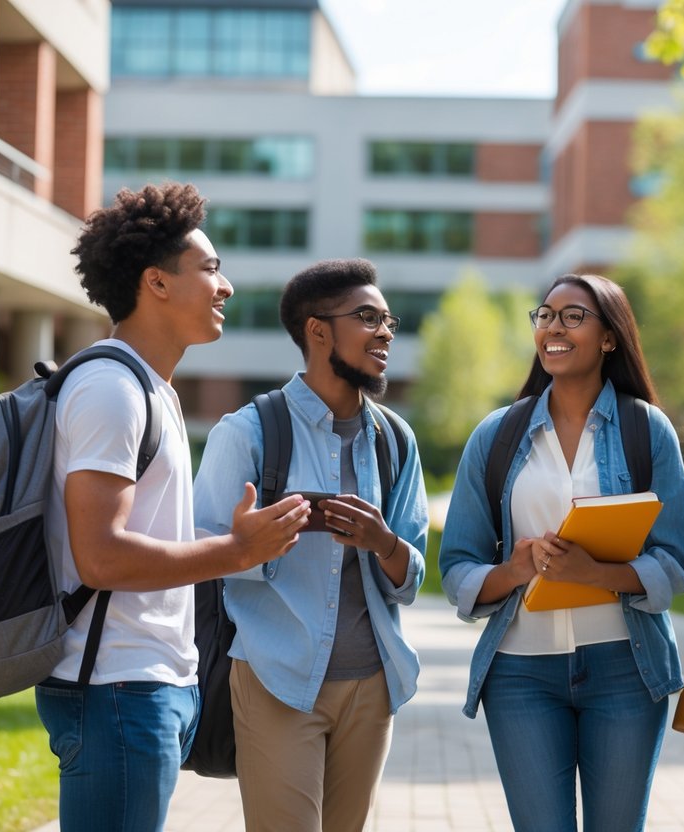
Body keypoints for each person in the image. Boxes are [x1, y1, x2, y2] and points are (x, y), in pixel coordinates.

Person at [37, 183, 312, 832]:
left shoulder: (148, 387)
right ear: (156, 283)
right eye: (211, 269)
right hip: (115, 686)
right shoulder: (112, 390)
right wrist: (239, 551)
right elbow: (101, 556)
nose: (226, 287)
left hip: (146, 681)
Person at [438, 273, 684, 832]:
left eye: (573, 316)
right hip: (521, 674)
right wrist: (515, 568)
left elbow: (676, 565)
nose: (553, 326)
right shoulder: (495, 436)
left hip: (626, 668)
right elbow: (456, 567)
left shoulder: (646, 430)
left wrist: (596, 573)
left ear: (609, 337)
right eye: (545, 315)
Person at [193, 258, 428, 832]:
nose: (386, 332)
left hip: (371, 685)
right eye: (367, 318)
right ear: (318, 330)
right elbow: (198, 556)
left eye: (388, 319)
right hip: (276, 676)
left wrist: (382, 541)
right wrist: (255, 545)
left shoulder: (394, 439)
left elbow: (414, 575)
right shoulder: (246, 432)